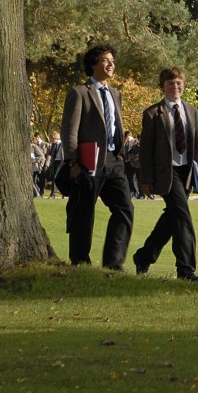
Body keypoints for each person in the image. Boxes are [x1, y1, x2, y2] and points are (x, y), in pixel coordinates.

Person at [59, 44, 135, 270]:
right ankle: (80, 261)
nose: (111, 64)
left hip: (114, 161)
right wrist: (73, 162)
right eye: (105, 60)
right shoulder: (79, 93)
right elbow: (69, 130)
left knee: (125, 208)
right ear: (93, 64)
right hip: (87, 162)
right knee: (84, 213)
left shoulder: (115, 94)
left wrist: (120, 154)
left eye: (112, 60)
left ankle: (114, 263)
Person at [133, 67, 198, 282]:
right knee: (183, 217)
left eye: (178, 83)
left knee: (172, 218)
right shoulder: (152, 113)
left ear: (183, 85)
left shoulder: (191, 110)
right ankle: (186, 270)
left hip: (186, 172)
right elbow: (145, 150)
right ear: (162, 87)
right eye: (170, 83)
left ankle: (144, 255)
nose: (175, 87)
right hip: (166, 173)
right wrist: (145, 180)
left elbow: (196, 144)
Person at [45, 131, 64, 199]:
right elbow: (50, 154)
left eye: (51, 138)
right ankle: (53, 193)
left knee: (56, 177)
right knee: (54, 177)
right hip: (55, 162)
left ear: (55, 138)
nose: (50, 140)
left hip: (61, 162)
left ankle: (54, 193)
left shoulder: (62, 143)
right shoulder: (53, 145)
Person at [30, 132, 48, 198]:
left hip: (35, 167)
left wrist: (34, 160)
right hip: (31, 167)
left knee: (33, 181)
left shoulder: (34, 147)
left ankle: (38, 193)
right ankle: (37, 193)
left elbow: (42, 156)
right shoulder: (31, 146)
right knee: (32, 181)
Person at [124, 131, 141, 199]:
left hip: (135, 162)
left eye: (126, 137)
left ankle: (137, 193)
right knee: (130, 178)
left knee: (136, 178)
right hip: (127, 162)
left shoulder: (135, 142)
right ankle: (133, 192)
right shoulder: (125, 142)